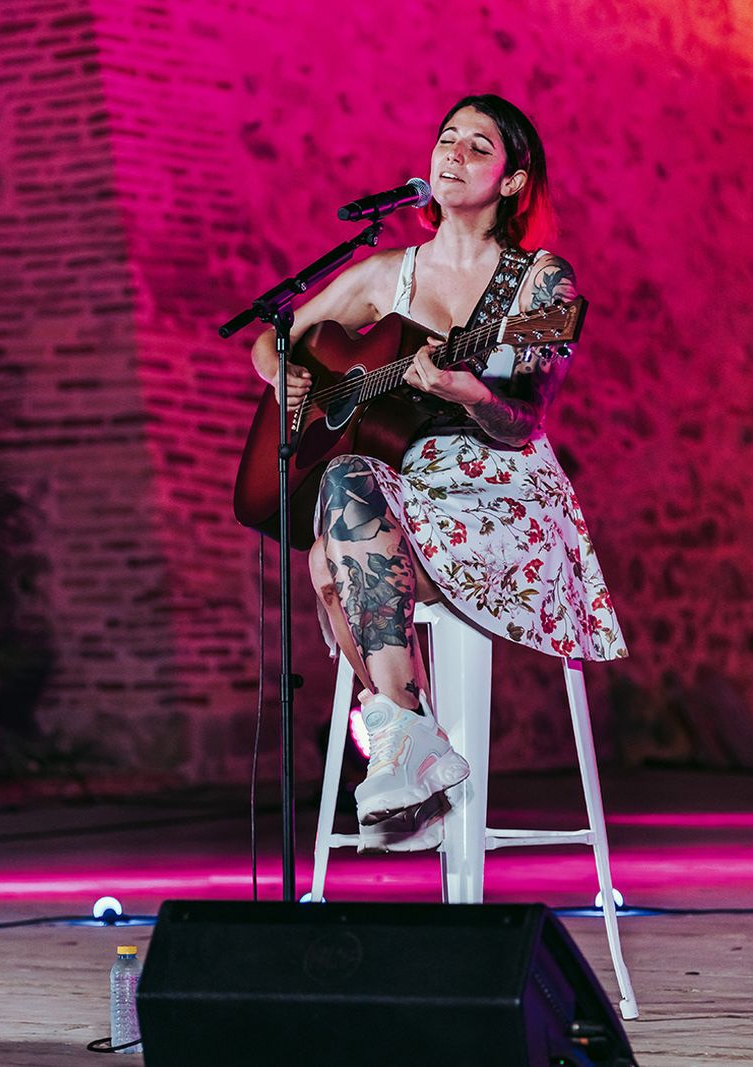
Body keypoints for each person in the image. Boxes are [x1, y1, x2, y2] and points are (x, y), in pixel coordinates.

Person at [249, 93, 626, 851]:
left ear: (514, 182)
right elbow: (275, 336)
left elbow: (524, 420)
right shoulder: (387, 271)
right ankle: (413, 735)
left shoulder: (536, 285)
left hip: (500, 494)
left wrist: (471, 389)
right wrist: (282, 376)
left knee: (331, 559)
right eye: (445, 139)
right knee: (338, 506)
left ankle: (406, 748)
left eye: (477, 147)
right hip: (403, 487)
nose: (452, 154)